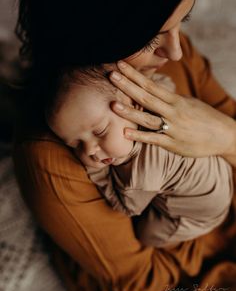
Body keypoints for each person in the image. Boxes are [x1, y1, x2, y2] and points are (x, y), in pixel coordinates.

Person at [13, 0, 236, 291]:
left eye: (183, 21)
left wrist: (226, 136)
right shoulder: (51, 162)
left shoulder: (169, 61)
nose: (176, 51)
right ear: (96, 30)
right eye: (152, 36)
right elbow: (142, 282)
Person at [45, 62, 233, 249]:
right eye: (76, 145)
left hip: (201, 215)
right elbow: (165, 80)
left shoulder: (139, 176)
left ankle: (187, 242)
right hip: (221, 174)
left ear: (134, 104)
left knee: (147, 235)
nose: (90, 151)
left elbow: (126, 207)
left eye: (100, 132)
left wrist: (96, 172)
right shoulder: (158, 96)